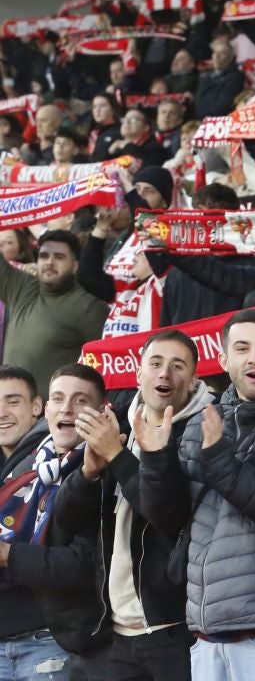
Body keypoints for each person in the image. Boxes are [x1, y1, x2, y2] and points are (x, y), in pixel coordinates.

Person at [138, 309, 255, 681]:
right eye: (242, 348)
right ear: (224, 360)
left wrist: (218, 460)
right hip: (207, 634)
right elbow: (170, 519)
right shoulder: (202, 422)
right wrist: (156, 460)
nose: (254, 358)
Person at [61, 329, 214, 681]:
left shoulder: (203, 429)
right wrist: (87, 473)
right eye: (156, 363)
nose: (165, 374)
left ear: (193, 380)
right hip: (116, 634)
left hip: (173, 630)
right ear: (137, 373)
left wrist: (116, 455)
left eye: (178, 366)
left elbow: (167, 514)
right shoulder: (118, 427)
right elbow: (66, 520)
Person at [0, 364, 108, 681]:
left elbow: (89, 565)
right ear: (46, 408)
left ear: (102, 411)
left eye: (80, 401)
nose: (67, 408)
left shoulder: (105, 470)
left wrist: (9, 555)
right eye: (59, 398)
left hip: (51, 642)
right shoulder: (23, 466)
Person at [0, 231, 109, 392]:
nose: (49, 262)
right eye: (44, 256)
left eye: (59, 257)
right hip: (6, 408)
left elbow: (107, 365)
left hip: (53, 413)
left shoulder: (90, 309)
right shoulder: (22, 287)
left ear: (75, 266)